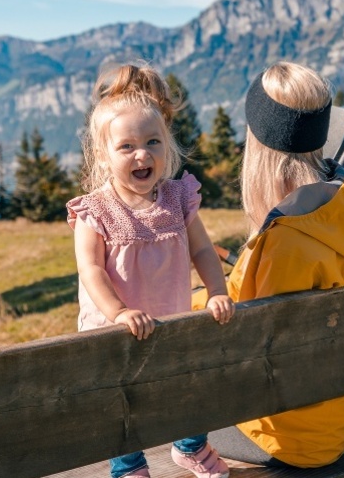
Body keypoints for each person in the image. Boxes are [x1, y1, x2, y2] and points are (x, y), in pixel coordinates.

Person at [206, 62, 344, 468]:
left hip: (282, 438)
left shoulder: (284, 241)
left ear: (257, 144)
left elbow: (250, 353)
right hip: (336, 427)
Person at [68, 64, 235, 478]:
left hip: (169, 319)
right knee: (121, 400)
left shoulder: (178, 198)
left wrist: (216, 290)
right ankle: (128, 465)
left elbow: (202, 248)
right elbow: (90, 270)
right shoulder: (96, 211)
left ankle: (189, 446)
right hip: (116, 327)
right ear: (103, 156)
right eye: (127, 147)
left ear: (167, 146)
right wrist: (119, 312)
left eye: (153, 142)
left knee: (185, 384)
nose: (142, 153)